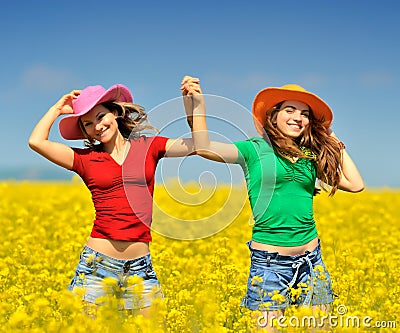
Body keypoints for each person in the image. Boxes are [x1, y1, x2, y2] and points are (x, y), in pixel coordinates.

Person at [180, 76, 364, 330]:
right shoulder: (254, 150)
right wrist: (196, 105)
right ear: (273, 115)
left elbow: (355, 184)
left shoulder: (309, 157)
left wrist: (332, 138)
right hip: (269, 265)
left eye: (305, 114)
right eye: (290, 110)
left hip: (312, 261)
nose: (298, 117)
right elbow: (204, 147)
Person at [28, 84, 195, 314]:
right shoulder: (85, 159)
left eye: (100, 116)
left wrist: (193, 110)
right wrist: (57, 108)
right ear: (85, 132)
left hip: (140, 268)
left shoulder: (149, 146)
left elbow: (198, 146)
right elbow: (36, 141)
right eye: (88, 123)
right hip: (97, 266)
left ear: (115, 113)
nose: (97, 126)